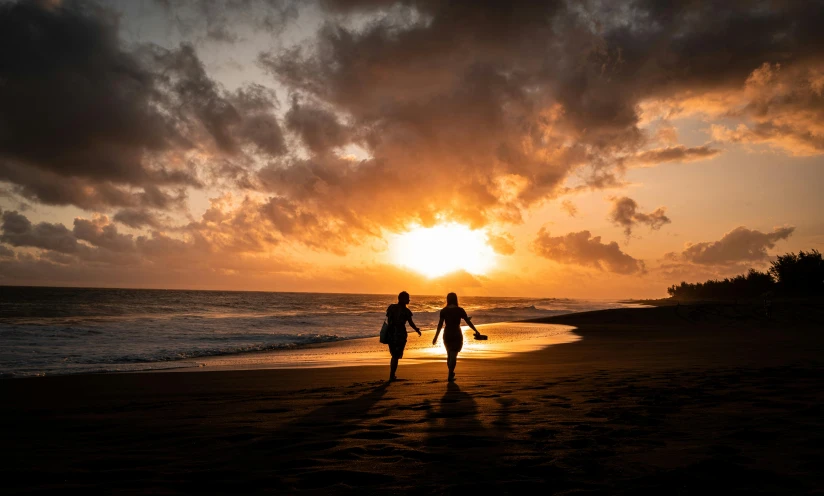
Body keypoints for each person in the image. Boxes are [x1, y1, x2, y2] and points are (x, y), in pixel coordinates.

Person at [432, 292, 480, 382]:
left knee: (449, 354)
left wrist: (435, 337)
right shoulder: (460, 310)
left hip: (447, 334)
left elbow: (440, 325)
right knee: (453, 354)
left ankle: (450, 372)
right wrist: (475, 330)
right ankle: (450, 373)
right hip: (456, 333)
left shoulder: (444, 310)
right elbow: (468, 322)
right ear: (456, 299)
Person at [386, 291, 421, 381]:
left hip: (390, 333)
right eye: (407, 298)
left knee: (393, 354)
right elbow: (411, 323)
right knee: (396, 355)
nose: (409, 300)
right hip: (400, 334)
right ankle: (392, 376)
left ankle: (392, 375)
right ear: (403, 299)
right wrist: (416, 330)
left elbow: (388, 320)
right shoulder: (406, 311)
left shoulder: (391, 308)